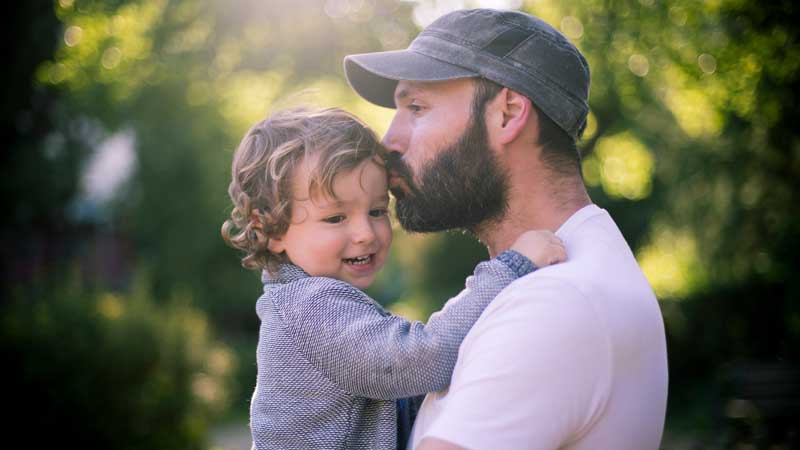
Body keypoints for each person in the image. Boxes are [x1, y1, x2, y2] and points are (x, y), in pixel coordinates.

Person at [344, 8, 669, 450]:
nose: (389, 142)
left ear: (508, 114)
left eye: (416, 107)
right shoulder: (557, 276)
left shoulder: (557, 301)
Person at [221, 107, 567, 449]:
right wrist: (511, 267)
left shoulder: (302, 300)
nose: (365, 234)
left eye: (376, 211)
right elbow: (422, 359)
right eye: (336, 218)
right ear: (268, 228)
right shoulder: (312, 306)